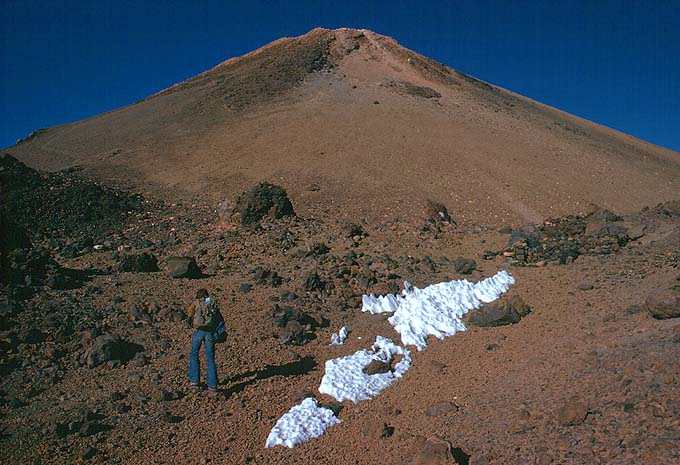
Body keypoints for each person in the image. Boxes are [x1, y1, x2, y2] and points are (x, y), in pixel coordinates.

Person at [186, 288, 222, 394]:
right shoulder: (211, 302)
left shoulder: (196, 303)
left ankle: (194, 383)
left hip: (198, 331)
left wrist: (191, 323)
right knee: (210, 358)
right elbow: (217, 317)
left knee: (194, 354)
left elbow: (189, 314)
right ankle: (212, 386)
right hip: (209, 332)